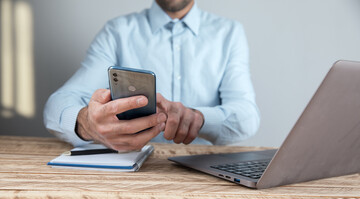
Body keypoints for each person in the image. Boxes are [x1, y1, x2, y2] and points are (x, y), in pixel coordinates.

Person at [44, 0, 260, 151]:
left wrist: (198, 118)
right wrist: (87, 124)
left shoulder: (230, 33)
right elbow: (57, 105)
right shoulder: (117, 32)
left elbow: (247, 117)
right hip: (132, 178)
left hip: (205, 177)